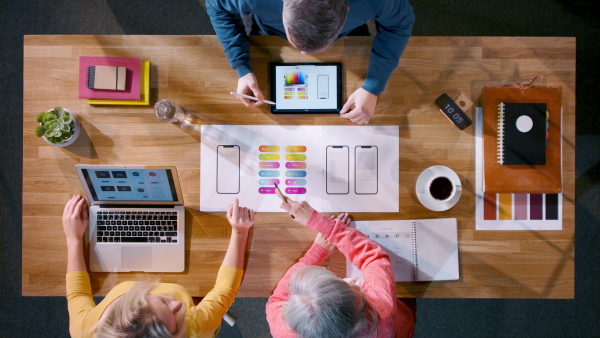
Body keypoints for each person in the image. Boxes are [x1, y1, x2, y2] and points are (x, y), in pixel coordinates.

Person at [63, 195, 254, 337]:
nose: (179, 305)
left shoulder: (83, 330)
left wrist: (74, 238)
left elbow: (77, 295)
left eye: (163, 302)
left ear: (132, 299)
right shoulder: (196, 328)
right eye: (175, 321)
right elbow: (224, 291)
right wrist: (239, 232)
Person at [206, 0, 415, 125]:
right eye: (299, 46)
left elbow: (400, 23)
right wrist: (241, 65)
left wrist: (374, 86)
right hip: (267, 32)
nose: (303, 54)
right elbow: (215, 6)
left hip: (351, 37)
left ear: (347, 9)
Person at [266, 195, 416, 337]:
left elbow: (276, 299)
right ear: (355, 296)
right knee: (407, 295)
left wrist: (318, 251)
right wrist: (328, 228)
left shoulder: (282, 328)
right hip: (399, 325)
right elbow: (373, 257)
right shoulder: (382, 312)